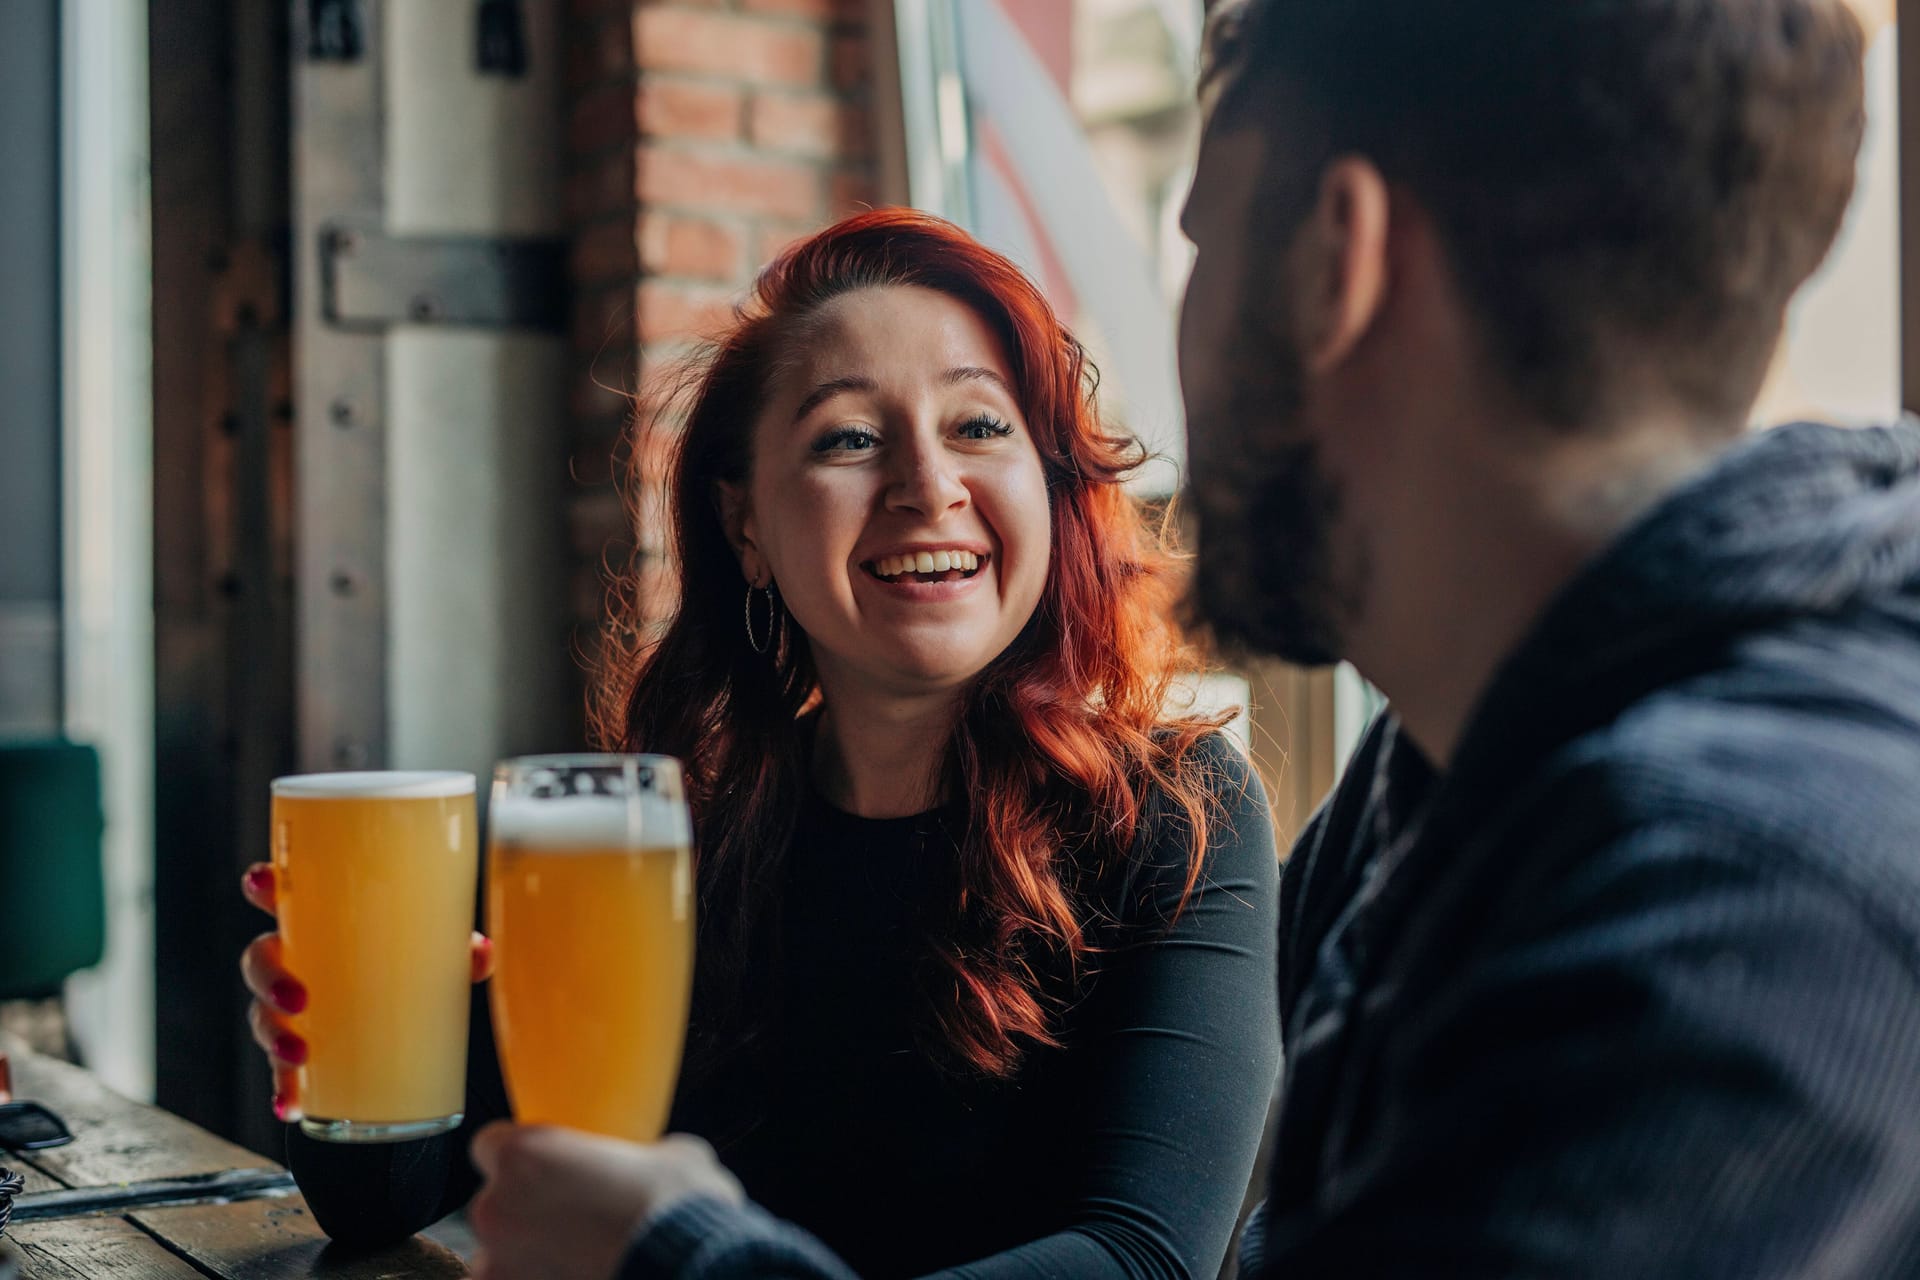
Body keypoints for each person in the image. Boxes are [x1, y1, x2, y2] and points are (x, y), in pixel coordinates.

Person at [459, 0, 1920, 1277]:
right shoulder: (1433, 786)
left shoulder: (1743, 899)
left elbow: (1149, 1246)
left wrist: (677, 1261)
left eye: (1202, 238)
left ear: (1331, 262)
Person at [239, 208, 1282, 1279]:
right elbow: (383, 1203)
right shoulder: (659, 844)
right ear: (746, 526)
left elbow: (1144, 1258)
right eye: (849, 438)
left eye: (978, 425)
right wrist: (363, 1066)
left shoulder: (1179, 811)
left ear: (1052, 489)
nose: (928, 486)